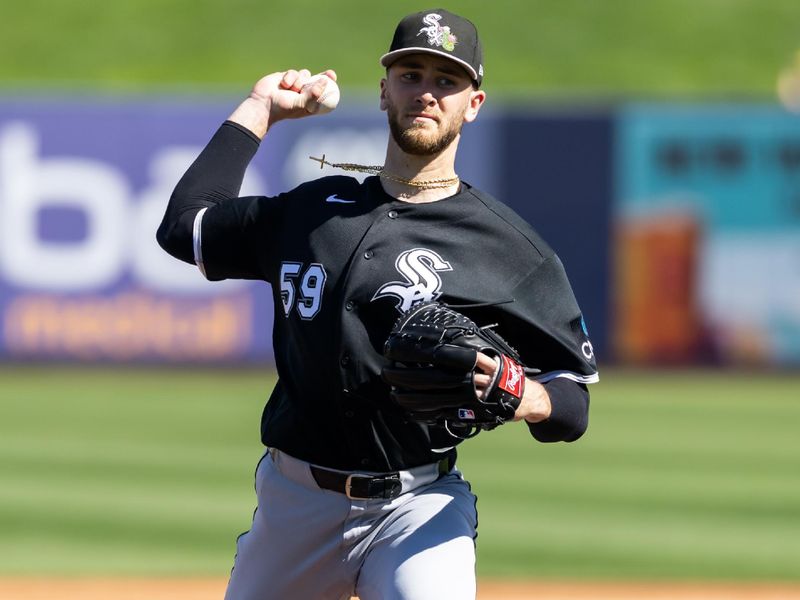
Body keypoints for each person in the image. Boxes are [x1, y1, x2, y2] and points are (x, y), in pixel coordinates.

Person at [157, 8, 598, 600]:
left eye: (447, 81)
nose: (426, 93)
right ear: (384, 88)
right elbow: (184, 227)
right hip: (294, 504)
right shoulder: (309, 213)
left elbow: (572, 403)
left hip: (419, 506)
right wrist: (260, 110)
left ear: (474, 103)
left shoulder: (511, 249)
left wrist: (527, 394)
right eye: (411, 75)